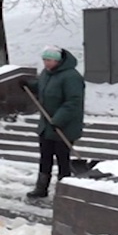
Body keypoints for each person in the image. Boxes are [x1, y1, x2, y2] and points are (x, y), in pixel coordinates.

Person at [20, 46, 86, 198]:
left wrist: (58, 120)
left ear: (59, 60)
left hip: (64, 127)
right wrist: (29, 85)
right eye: (44, 60)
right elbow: (43, 88)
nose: (46, 63)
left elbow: (73, 102)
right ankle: (41, 188)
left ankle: (64, 191)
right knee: (45, 157)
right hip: (46, 125)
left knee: (63, 158)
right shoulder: (47, 74)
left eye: (49, 60)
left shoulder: (71, 77)